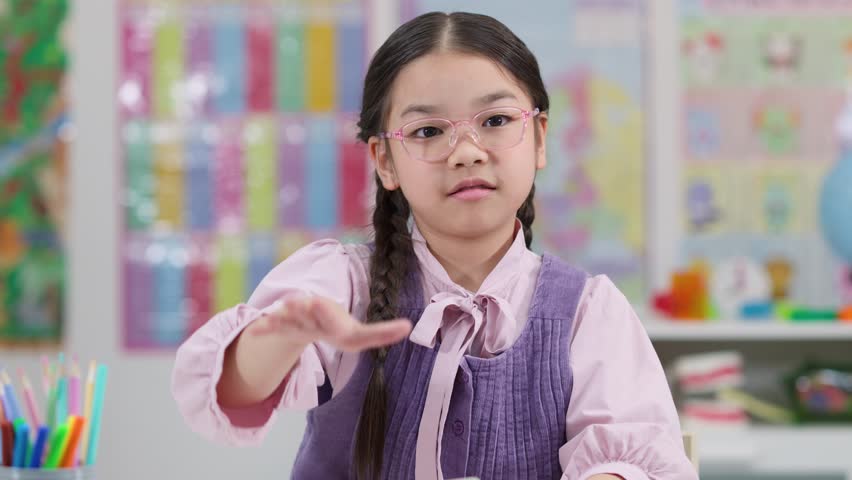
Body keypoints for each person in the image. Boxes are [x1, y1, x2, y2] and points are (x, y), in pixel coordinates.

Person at [172, 11, 698, 480]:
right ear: (384, 161)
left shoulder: (590, 312)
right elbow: (233, 390)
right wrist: (277, 337)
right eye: (427, 131)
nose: (466, 152)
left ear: (539, 138)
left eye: (495, 121)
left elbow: (631, 458)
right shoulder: (342, 282)